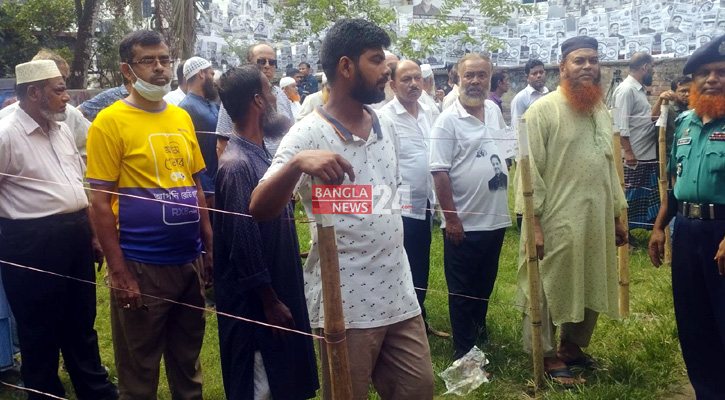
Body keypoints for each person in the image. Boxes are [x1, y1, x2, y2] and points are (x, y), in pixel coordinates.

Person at [249, 18, 434, 400]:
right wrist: (298, 163)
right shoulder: (307, 133)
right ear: (346, 66)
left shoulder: (385, 125)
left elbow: (383, 200)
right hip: (344, 303)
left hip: (398, 292)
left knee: (418, 390)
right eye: (376, 60)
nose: (388, 70)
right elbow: (258, 206)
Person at [86, 30, 212, 399]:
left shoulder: (180, 117)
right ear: (128, 69)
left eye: (164, 59)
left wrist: (208, 245)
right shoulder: (110, 122)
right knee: (139, 370)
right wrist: (120, 272)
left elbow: (196, 185)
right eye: (148, 60)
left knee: (188, 363)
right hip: (142, 263)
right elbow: (99, 202)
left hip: (188, 260)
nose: (160, 68)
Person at [0, 60, 119, 400]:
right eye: (59, 89)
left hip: (75, 232)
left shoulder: (62, 128)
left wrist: (92, 235)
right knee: (39, 327)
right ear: (34, 93)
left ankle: (94, 389)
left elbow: (75, 187)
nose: (67, 97)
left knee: (81, 319)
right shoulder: (7, 135)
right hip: (31, 240)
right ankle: (44, 392)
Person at [514, 36, 628, 386]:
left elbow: (609, 166)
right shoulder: (542, 111)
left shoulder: (599, 110)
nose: (588, 67)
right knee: (550, 284)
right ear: (562, 67)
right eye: (579, 61)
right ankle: (546, 354)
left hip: (595, 217)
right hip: (555, 218)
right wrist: (532, 223)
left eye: (593, 61)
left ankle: (572, 348)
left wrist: (615, 213)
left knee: (591, 276)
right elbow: (528, 170)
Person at [214, 65, 318, 400]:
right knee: (262, 384)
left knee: (286, 382)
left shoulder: (259, 153)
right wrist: (269, 301)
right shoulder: (237, 165)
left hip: (278, 287)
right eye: (270, 91)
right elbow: (242, 243)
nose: (276, 97)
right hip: (257, 307)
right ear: (258, 101)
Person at [648, 34, 725, 399]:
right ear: (691, 82)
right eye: (704, 73)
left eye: (721, 72)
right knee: (694, 320)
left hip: (722, 233)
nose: (712, 79)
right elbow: (674, 181)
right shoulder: (684, 124)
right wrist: (660, 226)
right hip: (687, 231)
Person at [430, 53, 511, 359]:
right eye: (469, 76)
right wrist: (451, 219)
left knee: (484, 285)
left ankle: (479, 335)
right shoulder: (447, 120)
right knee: (462, 292)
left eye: (482, 76)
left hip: (495, 219)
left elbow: (505, 151)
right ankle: (464, 352)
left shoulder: (492, 109)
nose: (476, 81)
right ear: (457, 79)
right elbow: (439, 172)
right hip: (464, 222)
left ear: (489, 79)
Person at [379, 60, 449, 338]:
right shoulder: (385, 117)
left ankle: (418, 319)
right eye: (406, 79)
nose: (413, 84)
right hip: (398, 203)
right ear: (393, 84)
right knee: (399, 262)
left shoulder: (429, 111)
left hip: (425, 201)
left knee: (420, 262)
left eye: (417, 78)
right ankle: (399, 326)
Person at [0, 49, 91, 160]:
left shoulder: (65, 127)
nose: (66, 97)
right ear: (33, 92)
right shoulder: (4, 131)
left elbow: (92, 144)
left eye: (63, 79)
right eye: (57, 88)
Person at [215, 43, 294, 157]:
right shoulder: (238, 94)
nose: (267, 66)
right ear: (249, 64)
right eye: (261, 61)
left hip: (282, 169)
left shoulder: (281, 95)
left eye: (272, 62)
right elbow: (222, 144)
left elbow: (290, 133)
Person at [612, 52, 659, 231]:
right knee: (629, 196)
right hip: (634, 155)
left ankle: (632, 230)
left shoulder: (637, 89)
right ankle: (622, 233)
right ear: (645, 67)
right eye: (652, 69)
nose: (652, 74)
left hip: (644, 154)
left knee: (643, 195)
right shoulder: (626, 90)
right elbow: (620, 123)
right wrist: (628, 152)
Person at [178, 57, 220, 210]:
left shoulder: (213, 105)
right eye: (211, 74)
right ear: (201, 73)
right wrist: (205, 187)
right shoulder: (185, 107)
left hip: (218, 182)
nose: (214, 80)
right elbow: (187, 152)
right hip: (205, 186)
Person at [651, 76, 692, 161]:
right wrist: (660, 99)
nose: (687, 94)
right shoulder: (667, 109)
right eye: (683, 91)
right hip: (669, 158)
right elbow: (653, 117)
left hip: (687, 156)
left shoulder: (692, 110)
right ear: (673, 92)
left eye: (690, 91)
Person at [511, 59, 549, 127]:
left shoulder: (549, 94)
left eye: (541, 72)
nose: (539, 76)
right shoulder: (520, 98)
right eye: (534, 73)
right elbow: (516, 127)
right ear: (527, 77)